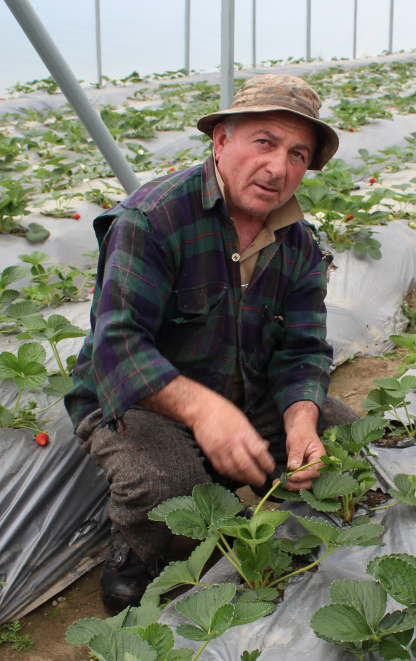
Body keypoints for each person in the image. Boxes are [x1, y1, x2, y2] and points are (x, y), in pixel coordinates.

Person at [65, 74, 357, 613]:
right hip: (143, 401)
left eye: (298, 153)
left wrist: (299, 421)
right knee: (166, 479)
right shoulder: (153, 220)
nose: (278, 168)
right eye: (264, 142)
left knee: (343, 436)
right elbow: (118, 345)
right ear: (221, 140)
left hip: (244, 393)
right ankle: (137, 546)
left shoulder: (299, 246)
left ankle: (255, 482)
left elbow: (303, 349)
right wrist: (204, 413)